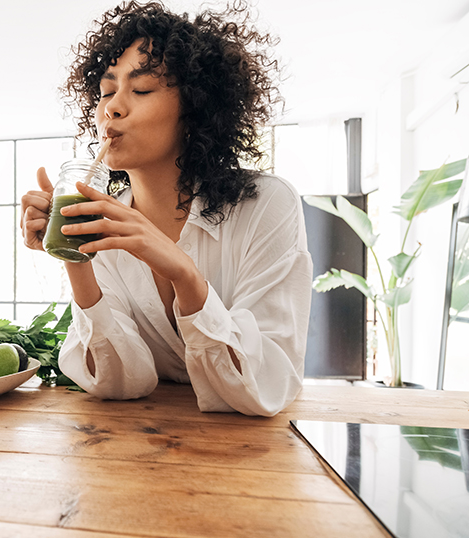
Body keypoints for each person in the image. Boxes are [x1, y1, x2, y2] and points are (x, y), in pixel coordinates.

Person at [20, 0, 312, 416]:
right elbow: (118, 383)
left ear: (194, 108)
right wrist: (75, 253)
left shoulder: (266, 205)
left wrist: (184, 273)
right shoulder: (102, 218)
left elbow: (266, 386)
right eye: (106, 91)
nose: (112, 107)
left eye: (140, 90)